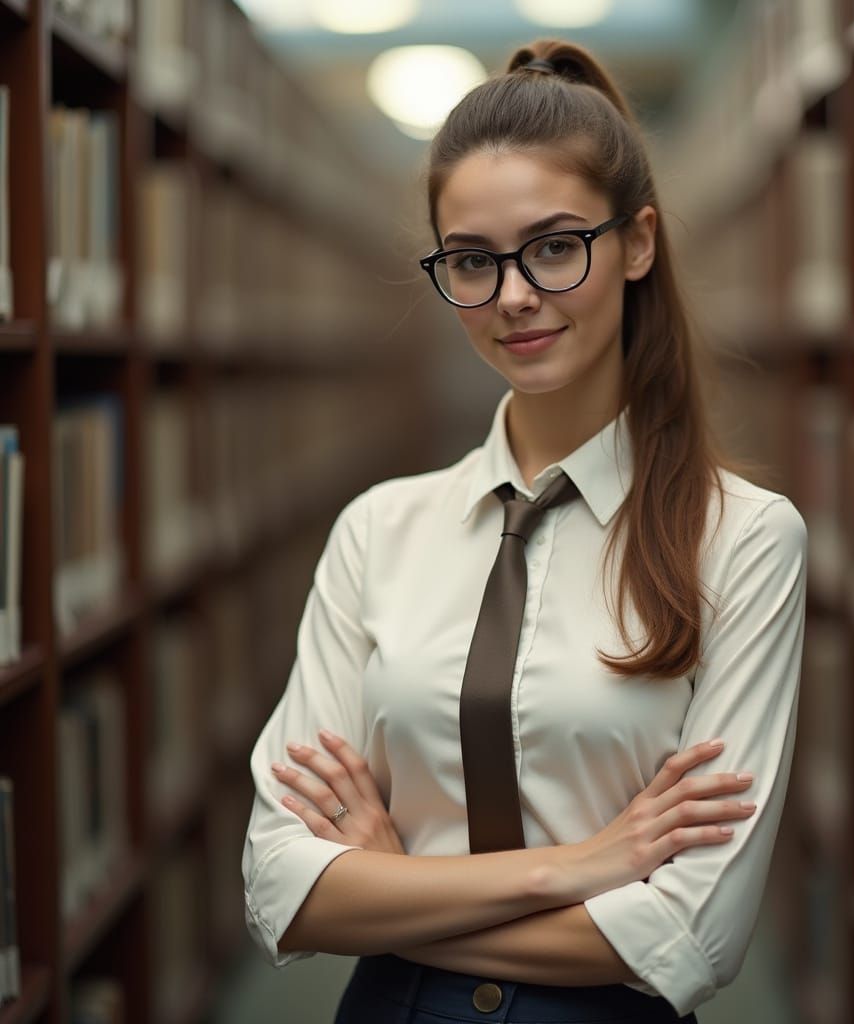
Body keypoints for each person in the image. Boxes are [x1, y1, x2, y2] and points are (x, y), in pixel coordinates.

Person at [241, 38, 808, 1024]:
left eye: (553, 246)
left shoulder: (745, 539)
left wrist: (386, 888)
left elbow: (693, 933)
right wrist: (577, 868)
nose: (511, 295)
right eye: (471, 260)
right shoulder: (378, 528)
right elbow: (279, 884)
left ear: (636, 244)